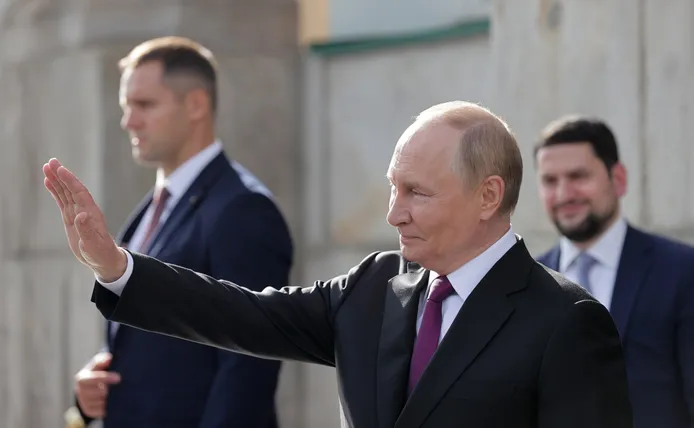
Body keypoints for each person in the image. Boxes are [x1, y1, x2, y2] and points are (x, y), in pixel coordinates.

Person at [45, 101, 633, 428]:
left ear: (488, 196)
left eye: (417, 193)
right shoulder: (375, 286)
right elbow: (240, 312)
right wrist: (116, 265)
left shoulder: (565, 321)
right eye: (394, 188)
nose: (394, 213)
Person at [61, 36, 293, 428]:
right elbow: (148, 340)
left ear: (196, 105)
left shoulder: (244, 209)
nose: (128, 121)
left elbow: (247, 371)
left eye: (144, 105)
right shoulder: (153, 207)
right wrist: (88, 395)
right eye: (126, 106)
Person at [533, 115, 694, 428]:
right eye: (550, 181)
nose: (564, 194)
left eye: (578, 176)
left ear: (618, 179)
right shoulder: (526, 282)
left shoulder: (683, 271)